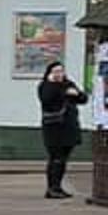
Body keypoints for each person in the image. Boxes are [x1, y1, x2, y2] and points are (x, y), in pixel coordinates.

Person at [37, 61, 88, 199]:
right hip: (53, 127)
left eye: (61, 71)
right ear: (50, 73)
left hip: (68, 127)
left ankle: (58, 187)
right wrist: (56, 87)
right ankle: (51, 188)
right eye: (56, 71)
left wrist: (76, 93)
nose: (59, 74)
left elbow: (83, 99)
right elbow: (46, 99)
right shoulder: (45, 86)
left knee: (63, 159)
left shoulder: (68, 84)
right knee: (55, 158)